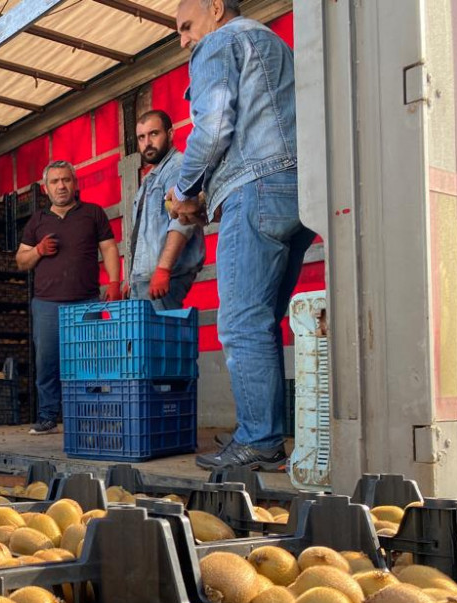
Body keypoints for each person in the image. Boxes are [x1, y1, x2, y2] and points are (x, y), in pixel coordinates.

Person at [167, 0, 317, 470]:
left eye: (186, 27)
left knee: (239, 323)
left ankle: (260, 440)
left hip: (255, 188)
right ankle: (261, 430)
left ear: (215, 8)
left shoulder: (220, 41)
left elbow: (212, 129)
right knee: (262, 320)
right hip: (296, 190)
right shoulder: (273, 44)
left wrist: (181, 188)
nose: (184, 40)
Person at [16, 160, 123, 435]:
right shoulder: (37, 221)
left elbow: (109, 248)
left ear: (75, 184)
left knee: (92, 360)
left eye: (66, 180)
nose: (61, 186)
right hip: (47, 303)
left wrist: (113, 282)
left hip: (86, 300)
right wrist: (38, 250)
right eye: (55, 181)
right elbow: (21, 261)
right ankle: (48, 416)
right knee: (47, 362)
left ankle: (94, 411)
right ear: (46, 188)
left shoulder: (93, 213)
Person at [127, 110, 205, 309]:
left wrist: (163, 269)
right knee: (147, 340)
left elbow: (181, 220)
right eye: (141, 137)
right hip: (146, 279)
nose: (147, 143)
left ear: (170, 134)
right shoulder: (150, 178)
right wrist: (132, 277)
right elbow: (141, 235)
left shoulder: (178, 167)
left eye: (154, 134)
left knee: (161, 338)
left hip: (164, 278)